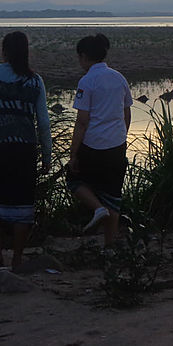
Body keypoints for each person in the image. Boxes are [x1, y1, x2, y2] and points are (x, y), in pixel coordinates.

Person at [0, 31, 51, 270]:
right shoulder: (35, 81)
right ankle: (17, 259)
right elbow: (43, 123)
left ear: (4, 51)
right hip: (25, 149)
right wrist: (46, 156)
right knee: (22, 204)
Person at [67, 33, 132, 247]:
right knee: (113, 196)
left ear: (84, 56)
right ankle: (109, 247)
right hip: (116, 146)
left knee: (74, 180)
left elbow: (82, 122)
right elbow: (127, 113)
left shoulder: (87, 81)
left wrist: (73, 154)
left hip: (93, 146)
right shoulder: (119, 78)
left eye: (79, 57)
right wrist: (122, 137)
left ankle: (97, 209)